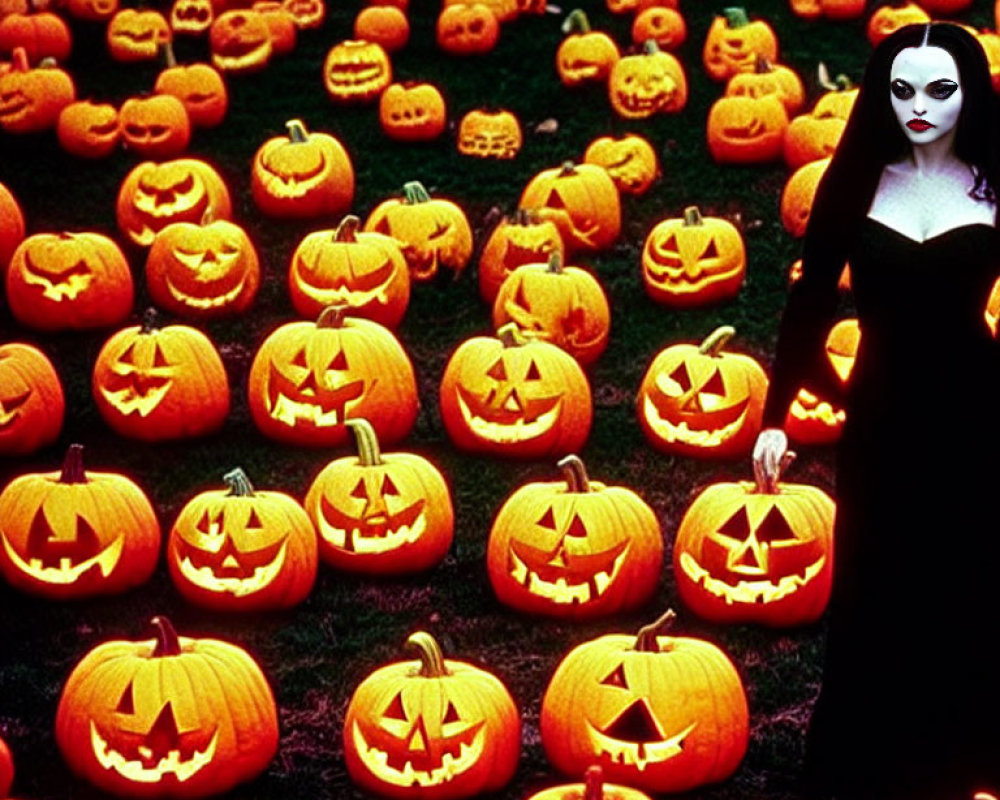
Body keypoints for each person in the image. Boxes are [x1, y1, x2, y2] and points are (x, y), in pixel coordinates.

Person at [754, 22, 1000, 800]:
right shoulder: (858, 181)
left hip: (977, 407)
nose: (919, 106)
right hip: (883, 411)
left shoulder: (994, 181)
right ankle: (878, 759)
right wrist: (777, 413)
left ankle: (970, 753)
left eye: (939, 90)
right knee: (878, 576)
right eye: (901, 91)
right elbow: (810, 302)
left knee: (969, 573)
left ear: (971, 92)